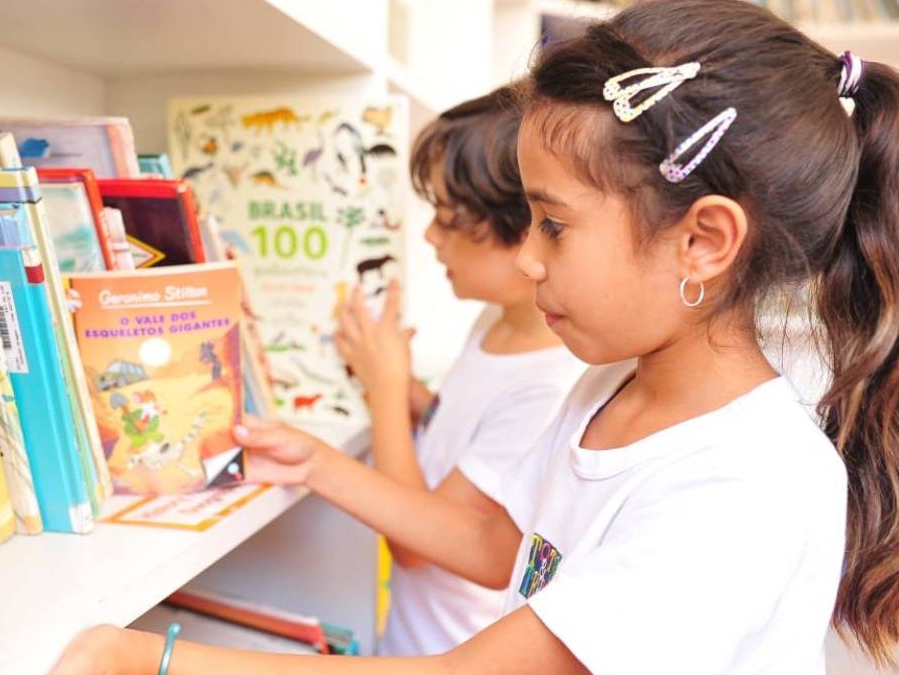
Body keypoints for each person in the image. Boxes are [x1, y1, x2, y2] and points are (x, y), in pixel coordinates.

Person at [50, 1, 899, 672]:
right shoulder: (610, 386)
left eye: (553, 225)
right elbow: (499, 545)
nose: (526, 258)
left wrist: (148, 659)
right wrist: (315, 462)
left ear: (704, 241)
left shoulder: (749, 484)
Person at [332, 85, 582, 657]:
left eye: (447, 218)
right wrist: (409, 391)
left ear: (529, 229)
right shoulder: (497, 325)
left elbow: (418, 542)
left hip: (444, 650)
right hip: (412, 639)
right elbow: (460, 440)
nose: (429, 236)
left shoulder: (546, 386)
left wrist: (387, 389)